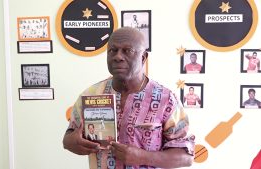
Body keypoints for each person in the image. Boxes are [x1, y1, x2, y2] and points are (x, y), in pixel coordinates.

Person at [63, 27, 194, 169]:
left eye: (127, 51)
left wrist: (144, 157)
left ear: (143, 57)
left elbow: (186, 157)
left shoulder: (166, 99)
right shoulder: (91, 94)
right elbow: (69, 138)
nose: (118, 56)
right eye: (113, 50)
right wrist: (73, 143)